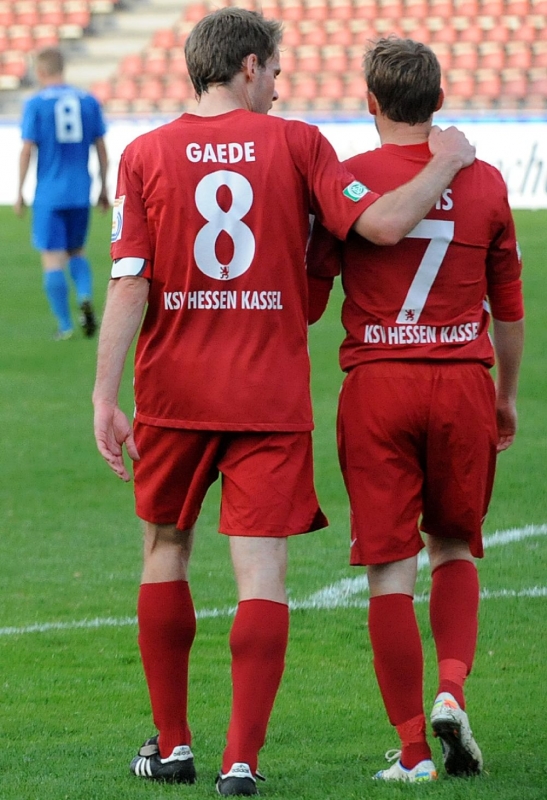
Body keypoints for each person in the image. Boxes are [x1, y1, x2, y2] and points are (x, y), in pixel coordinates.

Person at [92, 10, 475, 796]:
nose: (277, 85)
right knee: (261, 572)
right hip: (268, 395)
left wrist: (105, 392)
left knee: (165, 550)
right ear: (246, 65)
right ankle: (241, 760)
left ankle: (173, 746)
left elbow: (130, 283)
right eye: (273, 71)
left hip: (172, 392)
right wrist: (446, 162)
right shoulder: (299, 144)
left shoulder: (144, 152)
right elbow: (380, 225)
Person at [307, 37, 524, 784]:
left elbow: (310, 299)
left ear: (369, 101)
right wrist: (504, 397)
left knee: (389, 570)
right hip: (462, 382)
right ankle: (451, 691)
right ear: (439, 99)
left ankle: (411, 753)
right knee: (454, 546)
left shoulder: (347, 180)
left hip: (378, 386)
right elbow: (509, 310)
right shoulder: (485, 181)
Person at [14, 47, 109, 340]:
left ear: (41, 71)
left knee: (52, 259)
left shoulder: (36, 103)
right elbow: (101, 147)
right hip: (80, 191)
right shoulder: (88, 100)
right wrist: (104, 187)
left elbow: (27, 149)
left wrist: (19, 191)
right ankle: (84, 295)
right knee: (76, 251)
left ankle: (66, 326)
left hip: (49, 194)